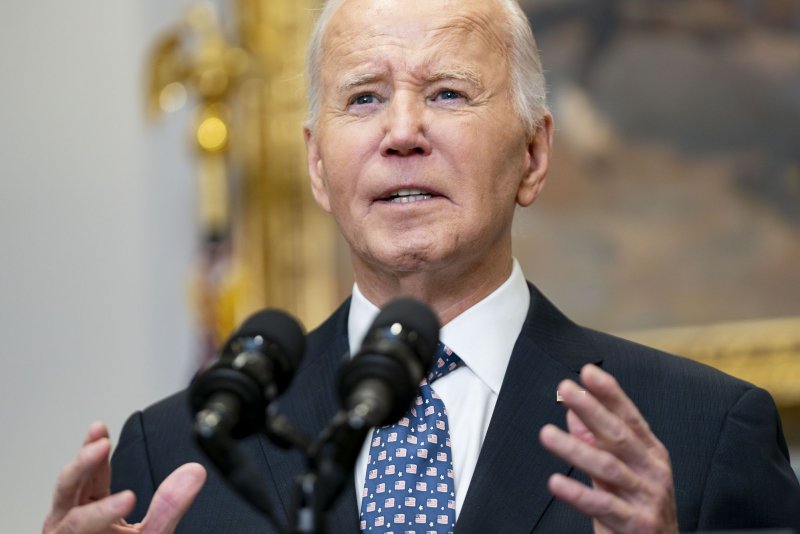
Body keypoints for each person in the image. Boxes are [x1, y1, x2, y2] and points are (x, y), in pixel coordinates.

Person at [43, 0, 800, 533]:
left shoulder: (698, 434)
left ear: (533, 155)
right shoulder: (179, 450)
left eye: (447, 93)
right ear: (316, 163)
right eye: (365, 98)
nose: (403, 132)